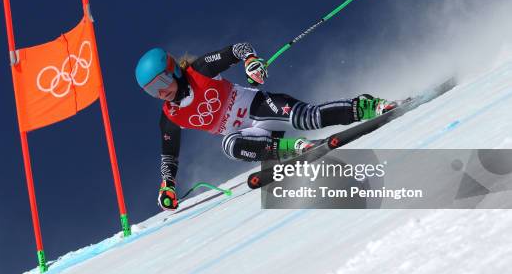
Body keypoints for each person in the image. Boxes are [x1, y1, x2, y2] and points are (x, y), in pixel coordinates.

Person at [135, 43, 396, 211]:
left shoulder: (200, 70)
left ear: (174, 71)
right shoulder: (171, 115)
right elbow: (169, 154)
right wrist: (167, 185)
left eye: (161, 83)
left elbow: (238, 49)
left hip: (259, 107)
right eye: (151, 91)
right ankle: (293, 148)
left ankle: (365, 107)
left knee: (309, 117)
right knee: (229, 145)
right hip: (250, 134)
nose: (160, 93)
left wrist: (251, 62)